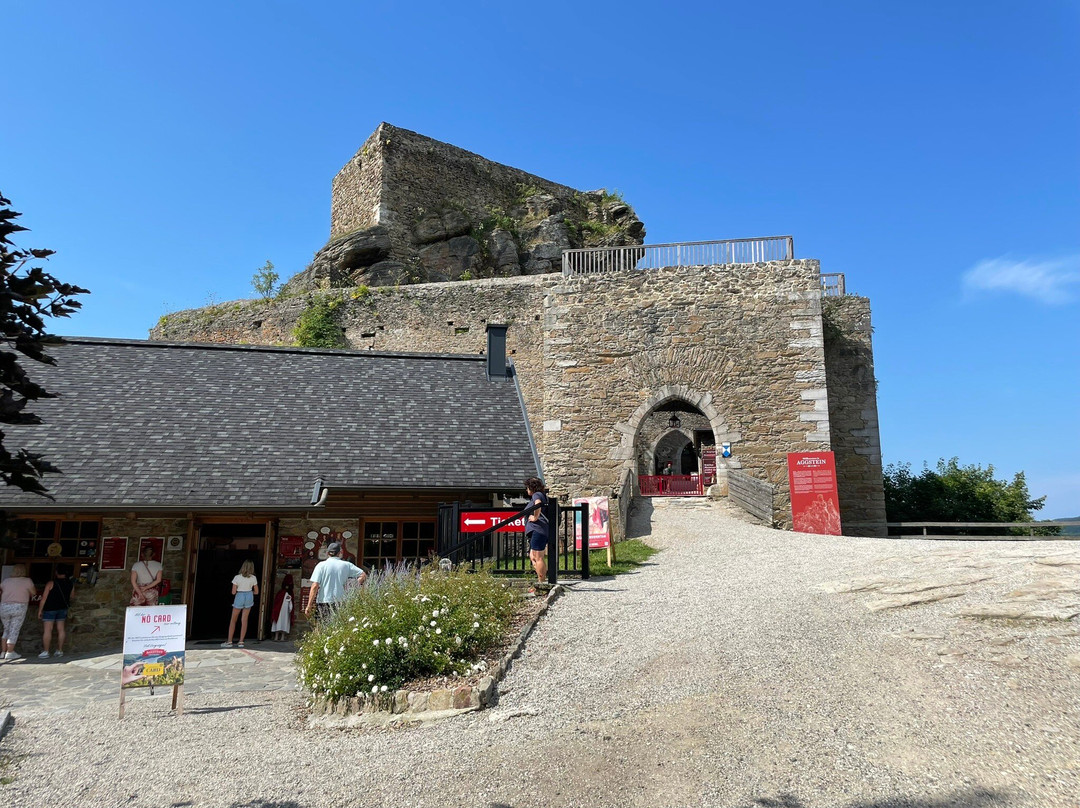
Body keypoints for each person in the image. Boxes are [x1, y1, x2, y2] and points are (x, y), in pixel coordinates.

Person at [304, 542, 366, 620]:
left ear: (327, 553)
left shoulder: (321, 565)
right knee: (339, 629)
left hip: (324, 601)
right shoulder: (346, 565)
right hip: (341, 601)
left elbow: (315, 586)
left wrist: (309, 605)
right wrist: (354, 585)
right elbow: (363, 575)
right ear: (340, 553)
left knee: (322, 628)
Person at [37, 564, 74, 659]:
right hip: (62, 608)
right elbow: (72, 596)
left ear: (57, 572)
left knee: (47, 630)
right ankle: (59, 650)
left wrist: (40, 610)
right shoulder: (70, 583)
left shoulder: (51, 583)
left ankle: (46, 651)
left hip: (50, 608)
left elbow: (44, 598)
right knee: (61, 629)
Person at [1, 564, 37, 661]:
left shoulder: (6, 581)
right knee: (14, 629)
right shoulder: (27, 581)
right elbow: (34, 593)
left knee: (6, 629)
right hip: (19, 606)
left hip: (4, 606)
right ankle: (10, 652)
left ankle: (3, 652)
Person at [221, 560, 259, 648]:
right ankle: (241, 641)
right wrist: (250, 592)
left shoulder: (237, 577)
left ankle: (230, 641)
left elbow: (233, 592)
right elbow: (256, 592)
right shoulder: (253, 578)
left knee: (233, 619)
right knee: (244, 620)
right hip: (249, 595)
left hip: (240, 595)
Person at [524, 476, 551, 591]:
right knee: (533, 556)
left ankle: (541, 583)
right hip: (538, 531)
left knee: (538, 557)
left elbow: (538, 504)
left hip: (538, 530)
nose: (526, 490)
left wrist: (535, 517)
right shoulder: (540, 495)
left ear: (531, 487)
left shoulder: (537, 495)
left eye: (527, 488)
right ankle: (541, 578)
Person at [270, 573, 294, 642]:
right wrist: (290, 610)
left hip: (278, 610)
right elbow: (290, 605)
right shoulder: (290, 593)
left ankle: (276, 636)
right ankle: (282, 637)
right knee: (285, 622)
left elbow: (276, 602)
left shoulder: (280, 592)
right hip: (286, 611)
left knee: (278, 621)